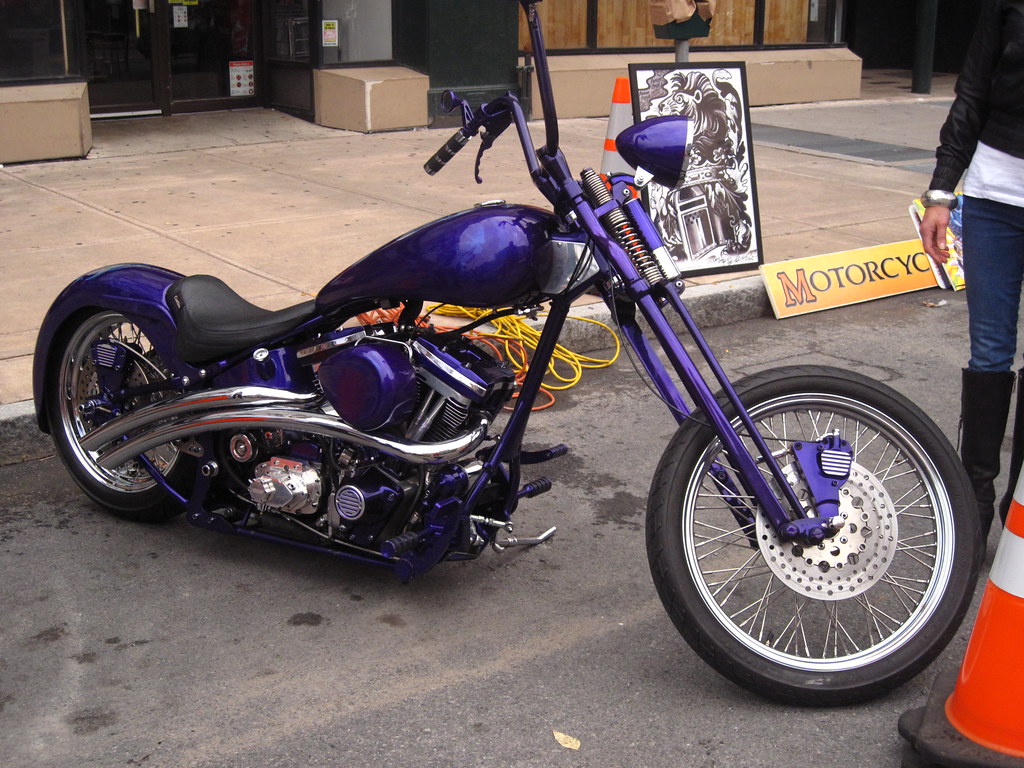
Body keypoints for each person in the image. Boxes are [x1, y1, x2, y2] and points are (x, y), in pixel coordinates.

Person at [919, 0, 1024, 538]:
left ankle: (1019, 507)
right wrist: (942, 191)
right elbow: (973, 91)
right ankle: (975, 499)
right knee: (989, 350)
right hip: (995, 193)